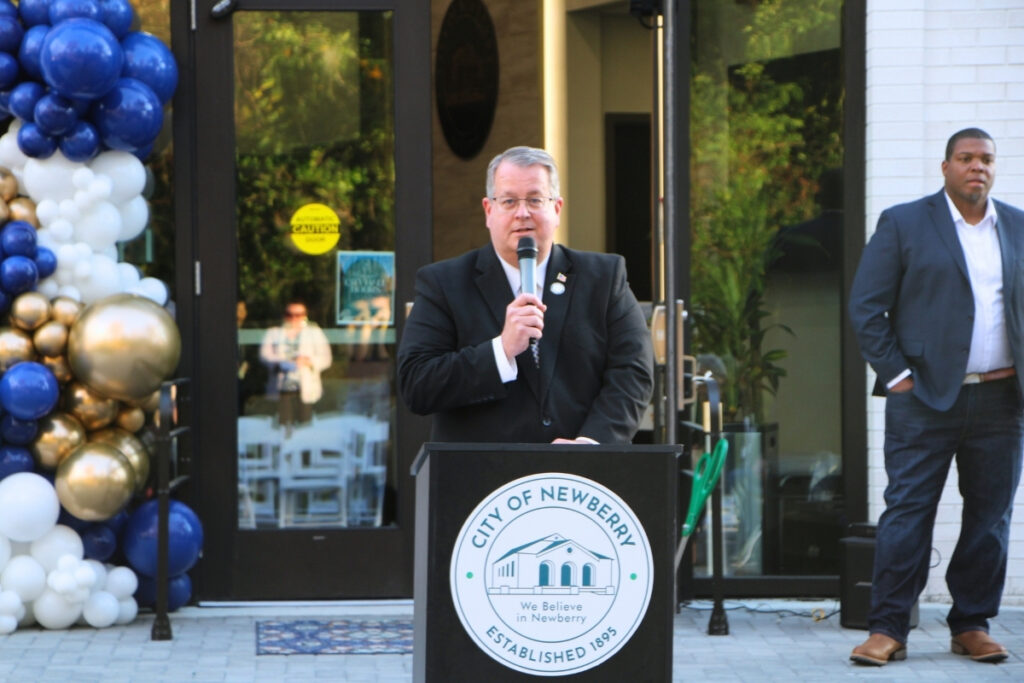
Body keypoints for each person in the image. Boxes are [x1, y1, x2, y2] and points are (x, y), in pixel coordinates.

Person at [848, 128, 1024, 666]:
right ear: (945, 166)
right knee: (908, 512)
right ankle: (888, 628)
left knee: (990, 518)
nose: (977, 167)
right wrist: (898, 375)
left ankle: (971, 624)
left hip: (1001, 399)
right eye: (966, 158)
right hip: (923, 398)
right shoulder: (905, 222)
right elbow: (866, 306)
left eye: (986, 159)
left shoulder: (1017, 226)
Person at [398, 145, 653, 444]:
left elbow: (633, 371)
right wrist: (501, 350)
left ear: (557, 209)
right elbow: (417, 384)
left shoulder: (604, 278)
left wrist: (591, 444)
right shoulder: (443, 283)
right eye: (508, 201)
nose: (522, 213)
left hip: (579, 467)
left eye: (535, 199)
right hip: (482, 469)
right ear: (488, 210)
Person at [260, 299, 333, 432]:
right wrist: (283, 362)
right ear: (284, 315)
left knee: (305, 427)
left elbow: (326, 358)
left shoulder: (314, 332)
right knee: (283, 427)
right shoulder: (274, 332)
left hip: (306, 388)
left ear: (305, 315)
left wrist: (308, 361)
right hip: (282, 388)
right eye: (290, 314)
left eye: (298, 315)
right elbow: (264, 355)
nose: (294, 318)